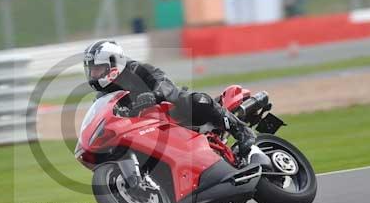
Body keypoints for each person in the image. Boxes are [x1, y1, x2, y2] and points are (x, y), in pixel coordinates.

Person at [83, 39, 256, 158]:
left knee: (196, 100)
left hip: (171, 113)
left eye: (97, 69)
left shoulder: (137, 70)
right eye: (91, 70)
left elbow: (163, 82)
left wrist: (154, 95)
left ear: (113, 64)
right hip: (145, 130)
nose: (93, 74)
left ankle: (241, 130)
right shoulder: (103, 97)